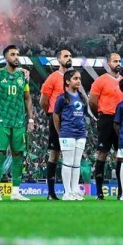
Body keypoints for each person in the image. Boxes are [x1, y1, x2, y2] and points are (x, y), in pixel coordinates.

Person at [0, 44, 33, 202]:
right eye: (12, 54)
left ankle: (15, 192)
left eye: (17, 54)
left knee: (18, 155)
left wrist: (30, 119)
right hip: (1, 121)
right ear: (5, 58)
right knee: (0, 154)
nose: (16, 57)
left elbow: (27, 99)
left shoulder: (23, 76)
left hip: (18, 122)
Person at [39, 47, 77, 201]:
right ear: (59, 59)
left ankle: (71, 191)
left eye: (70, 56)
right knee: (55, 154)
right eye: (66, 56)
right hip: (57, 118)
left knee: (72, 155)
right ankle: (51, 192)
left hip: (72, 119)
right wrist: (51, 113)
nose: (69, 58)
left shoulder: (74, 78)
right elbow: (43, 100)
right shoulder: (53, 77)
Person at [87, 52, 123, 200]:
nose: (118, 63)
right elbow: (92, 102)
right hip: (106, 118)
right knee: (103, 153)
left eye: (119, 61)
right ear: (108, 63)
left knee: (121, 154)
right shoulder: (100, 81)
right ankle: (99, 192)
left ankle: (122, 191)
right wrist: (100, 116)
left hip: (121, 120)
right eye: (115, 61)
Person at [52, 69, 88, 201]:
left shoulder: (82, 97)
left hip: (81, 134)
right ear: (67, 81)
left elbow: (83, 115)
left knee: (77, 163)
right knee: (67, 162)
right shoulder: (62, 98)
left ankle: (74, 191)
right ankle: (67, 192)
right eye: (75, 78)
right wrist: (60, 131)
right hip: (67, 133)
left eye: (79, 78)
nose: (78, 81)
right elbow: (56, 115)